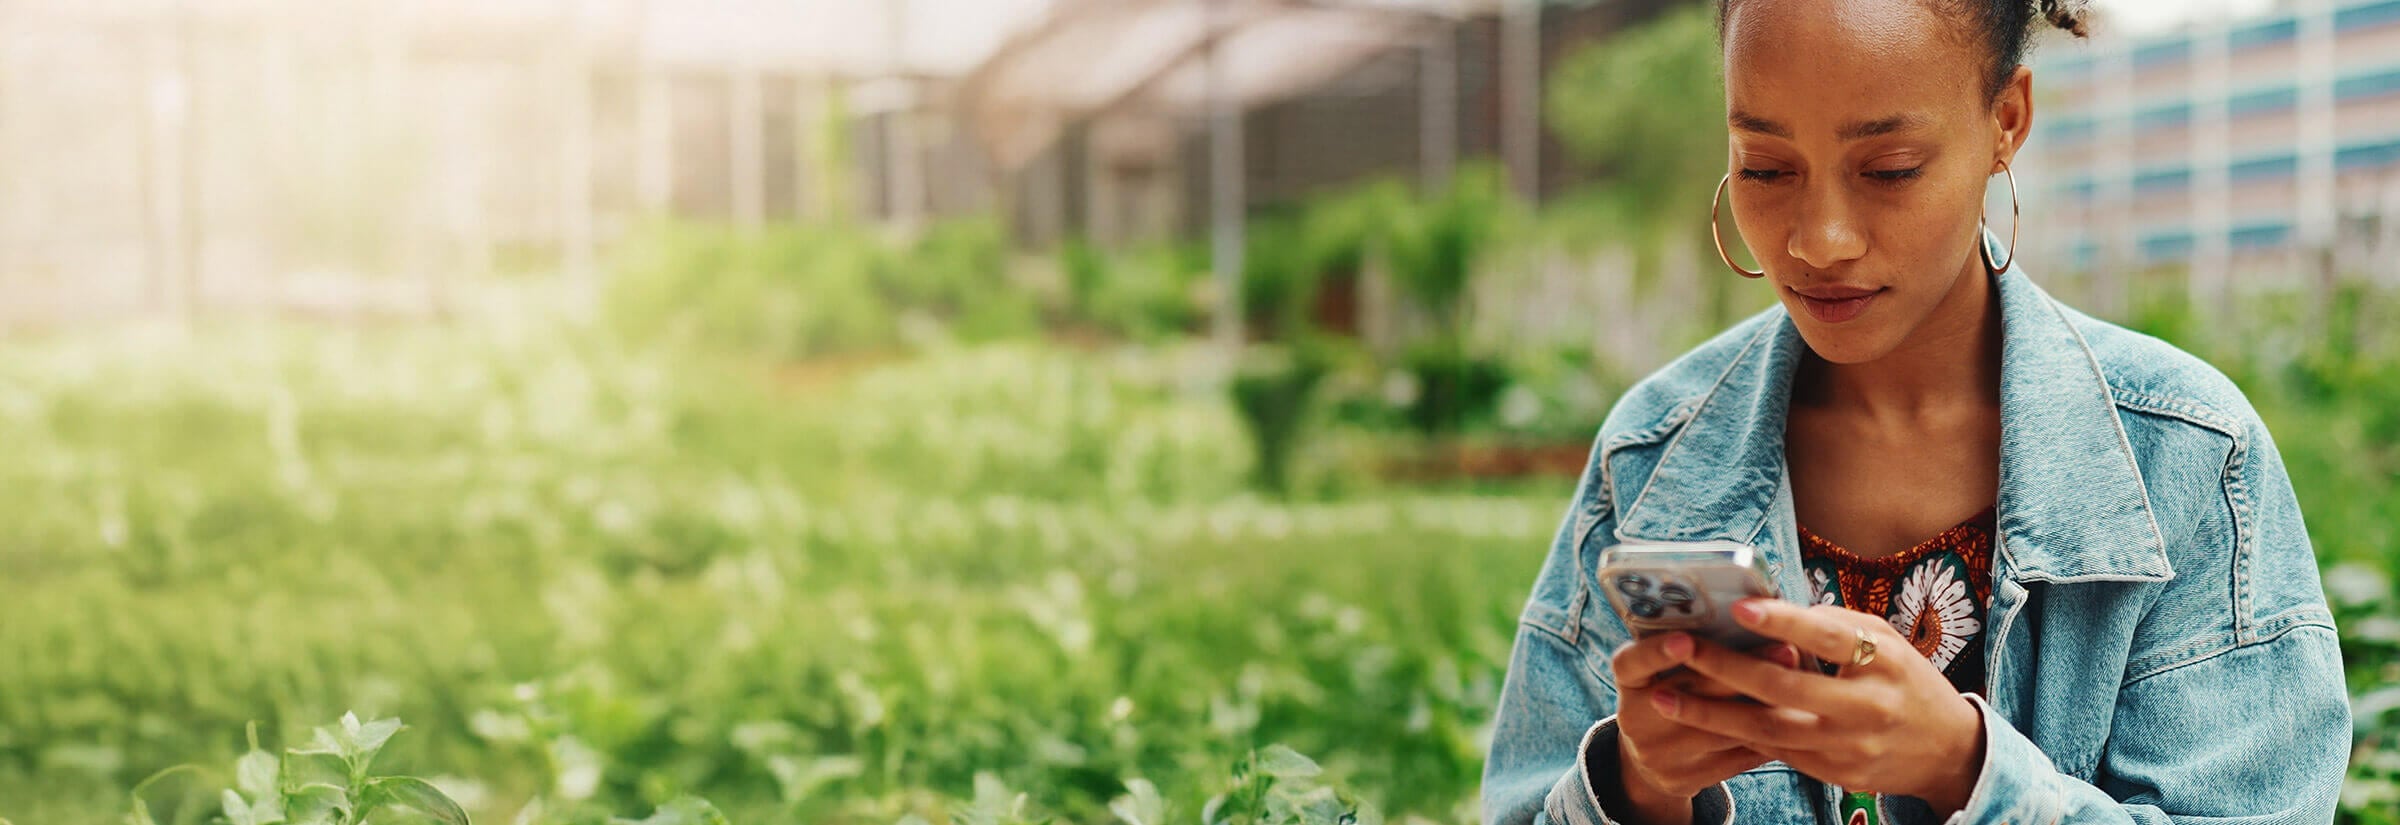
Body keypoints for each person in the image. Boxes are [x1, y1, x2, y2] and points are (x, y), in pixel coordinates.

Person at [1478, 1, 2353, 823]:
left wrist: (1964, 768)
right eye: (1766, 167)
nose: (1820, 240)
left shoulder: (2188, 456)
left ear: (2006, 120)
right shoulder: (1652, 454)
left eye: (1890, 170)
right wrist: (1638, 785)